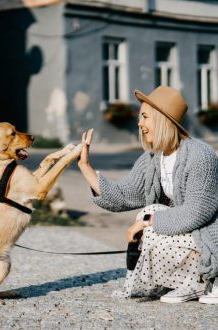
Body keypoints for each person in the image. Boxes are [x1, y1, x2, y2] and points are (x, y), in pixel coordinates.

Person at [78, 85, 218, 304]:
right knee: (149, 212)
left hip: (210, 236)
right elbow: (123, 195)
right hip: (191, 234)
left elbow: (197, 212)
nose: (140, 123)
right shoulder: (153, 158)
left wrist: (146, 223)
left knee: (149, 216)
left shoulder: (201, 156)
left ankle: (206, 279)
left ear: (163, 119)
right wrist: (86, 167)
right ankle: (188, 281)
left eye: (145, 117)